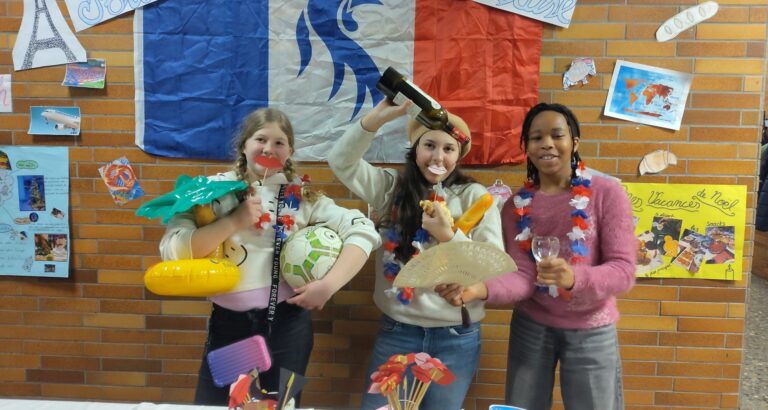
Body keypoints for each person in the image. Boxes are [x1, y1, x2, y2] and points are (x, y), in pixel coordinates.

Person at [159, 108, 381, 405]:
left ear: (290, 152)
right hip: (231, 326)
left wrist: (328, 286)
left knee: (282, 403)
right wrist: (234, 221)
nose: (268, 148)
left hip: (288, 327)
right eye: (261, 139)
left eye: (279, 143)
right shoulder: (210, 192)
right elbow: (173, 250)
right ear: (244, 145)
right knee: (216, 404)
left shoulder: (304, 197)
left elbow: (363, 229)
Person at [437, 102, 636, 410]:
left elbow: (623, 271)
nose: (547, 143)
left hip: (591, 329)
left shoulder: (607, 193)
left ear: (574, 143)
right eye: (536, 137)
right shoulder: (515, 206)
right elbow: (522, 277)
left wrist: (575, 278)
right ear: (526, 147)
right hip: (532, 326)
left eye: (557, 135)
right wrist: (478, 289)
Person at [328, 99, 503, 410]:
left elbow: (492, 266)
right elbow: (341, 161)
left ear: (458, 155)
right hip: (398, 331)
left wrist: (448, 235)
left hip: (456, 337)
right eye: (429, 145)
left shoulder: (475, 197)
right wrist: (374, 120)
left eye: (448, 149)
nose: (438, 157)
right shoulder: (390, 189)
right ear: (415, 149)